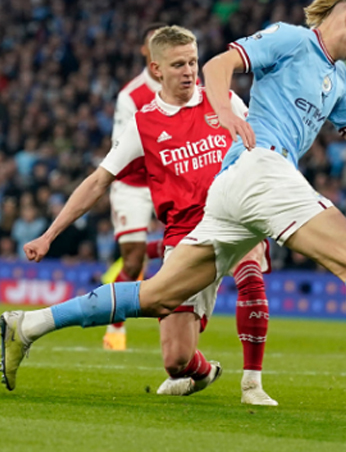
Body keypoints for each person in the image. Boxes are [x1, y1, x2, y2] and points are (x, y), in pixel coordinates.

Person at [2, 0, 346, 410]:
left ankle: (27, 325)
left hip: (231, 189)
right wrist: (223, 111)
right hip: (261, 167)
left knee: (159, 295)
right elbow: (221, 64)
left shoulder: (340, 80)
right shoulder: (292, 38)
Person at [7, 26, 276, 406]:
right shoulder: (143, 124)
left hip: (235, 219)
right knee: (176, 360)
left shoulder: (225, 101)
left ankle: (253, 384)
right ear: (156, 69)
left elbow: (263, 150)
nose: (189, 71)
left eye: (194, 62)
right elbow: (98, 181)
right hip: (185, 236)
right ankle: (202, 371)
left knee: (250, 270)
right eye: (178, 64)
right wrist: (49, 234)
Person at [104, 22, 166, 351]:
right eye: (153, 43)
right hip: (133, 184)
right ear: (145, 51)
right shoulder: (131, 96)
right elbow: (122, 147)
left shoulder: (190, 85)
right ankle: (114, 328)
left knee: (186, 251)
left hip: (173, 178)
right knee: (132, 262)